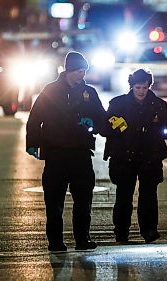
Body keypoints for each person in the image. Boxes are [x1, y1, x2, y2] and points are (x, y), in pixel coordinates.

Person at [26, 51, 106, 253]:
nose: (82, 75)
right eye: (80, 71)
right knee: (54, 201)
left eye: (84, 71)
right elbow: (35, 118)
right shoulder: (50, 91)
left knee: (83, 200)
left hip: (81, 153)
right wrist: (33, 143)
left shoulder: (89, 93)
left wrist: (95, 126)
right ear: (69, 70)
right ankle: (55, 242)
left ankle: (82, 239)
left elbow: (101, 119)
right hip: (56, 154)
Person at [104, 68, 167, 243]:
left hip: (150, 157)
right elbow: (104, 128)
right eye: (138, 88)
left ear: (149, 86)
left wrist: (160, 130)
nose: (141, 92)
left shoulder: (158, 104)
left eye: (144, 88)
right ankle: (121, 232)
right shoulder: (118, 104)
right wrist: (116, 127)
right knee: (124, 196)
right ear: (131, 87)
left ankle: (149, 230)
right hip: (124, 157)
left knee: (149, 196)